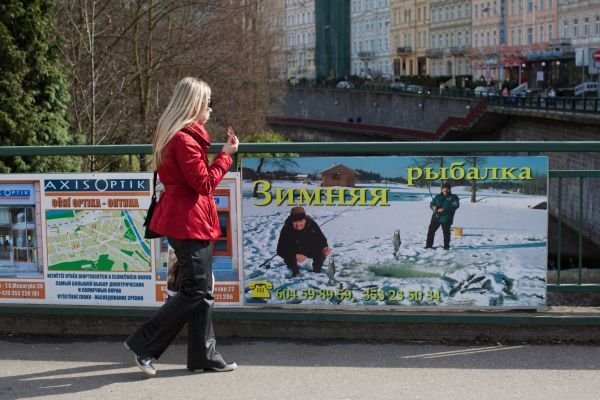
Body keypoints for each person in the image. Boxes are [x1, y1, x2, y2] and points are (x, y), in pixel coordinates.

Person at [124, 77, 239, 376]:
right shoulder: (184, 140)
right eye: (209, 103)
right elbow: (203, 183)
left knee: (201, 289)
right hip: (188, 220)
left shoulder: (177, 136)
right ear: (196, 105)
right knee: (195, 290)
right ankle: (144, 344)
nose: (211, 110)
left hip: (187, 218)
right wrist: (226, 156)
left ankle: (205, 356)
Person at [276, 207, 332, 277]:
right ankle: (295, 272)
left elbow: (322, 240)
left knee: (320, 251)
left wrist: (325, 248)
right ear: (291, 221)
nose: (298, 224)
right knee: (288, 256)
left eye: (301, 221)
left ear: (305, 220)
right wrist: (294, 256)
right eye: (295, 221)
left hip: (308, 249)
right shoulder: (286, 228)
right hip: (295, 251)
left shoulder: (312, 224)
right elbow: (280, 250)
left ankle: (317, 270)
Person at [425, 183, 460, 250]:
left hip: (446, 218)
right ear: (442, 189)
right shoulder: (438, 196)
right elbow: (432, 203)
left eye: (447, 189)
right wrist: (433, 207)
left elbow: (455, 205)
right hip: (436, 217)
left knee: (446, 233)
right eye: (444, 189)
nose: (445, 190)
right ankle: (428, 246)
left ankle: (446, 246)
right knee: (430, 231)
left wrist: (445, 209)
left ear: (449, 190)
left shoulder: (454, 197)